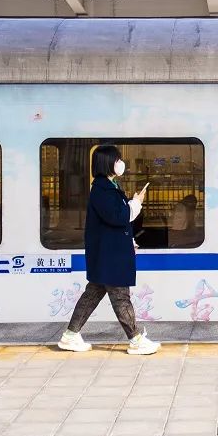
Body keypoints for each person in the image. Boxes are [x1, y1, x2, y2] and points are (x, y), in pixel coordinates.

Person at [57, 145, 160, 355]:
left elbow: (116, 221)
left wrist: (129, 239)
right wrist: (136, 203)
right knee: (121, 297)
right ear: (107, 163)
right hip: (110, 256)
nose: (121, 163)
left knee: (92, 295)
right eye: (117, 159)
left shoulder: (109, 187)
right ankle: (136, 340)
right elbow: (118, 217)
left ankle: (70, 335)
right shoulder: (102, 190)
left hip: (107, 253)